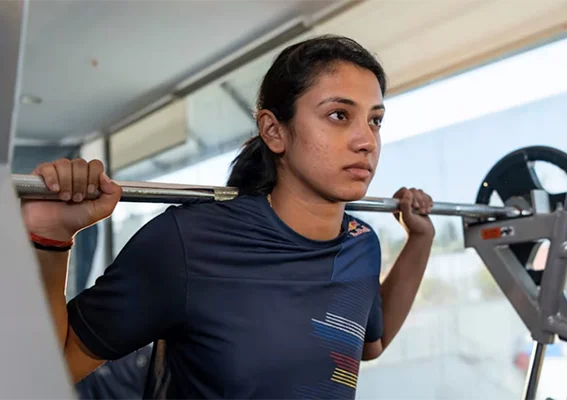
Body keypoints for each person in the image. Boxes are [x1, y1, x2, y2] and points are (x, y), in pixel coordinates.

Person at [22, 35, 435, 399]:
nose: (367, 141)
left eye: (375, 120)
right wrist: (50, 237)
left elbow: (367, 343)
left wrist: (420, 241)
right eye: (339, 115)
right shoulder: (187, 243)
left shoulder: (361, 243)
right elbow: (48, 370)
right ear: (275, 131)